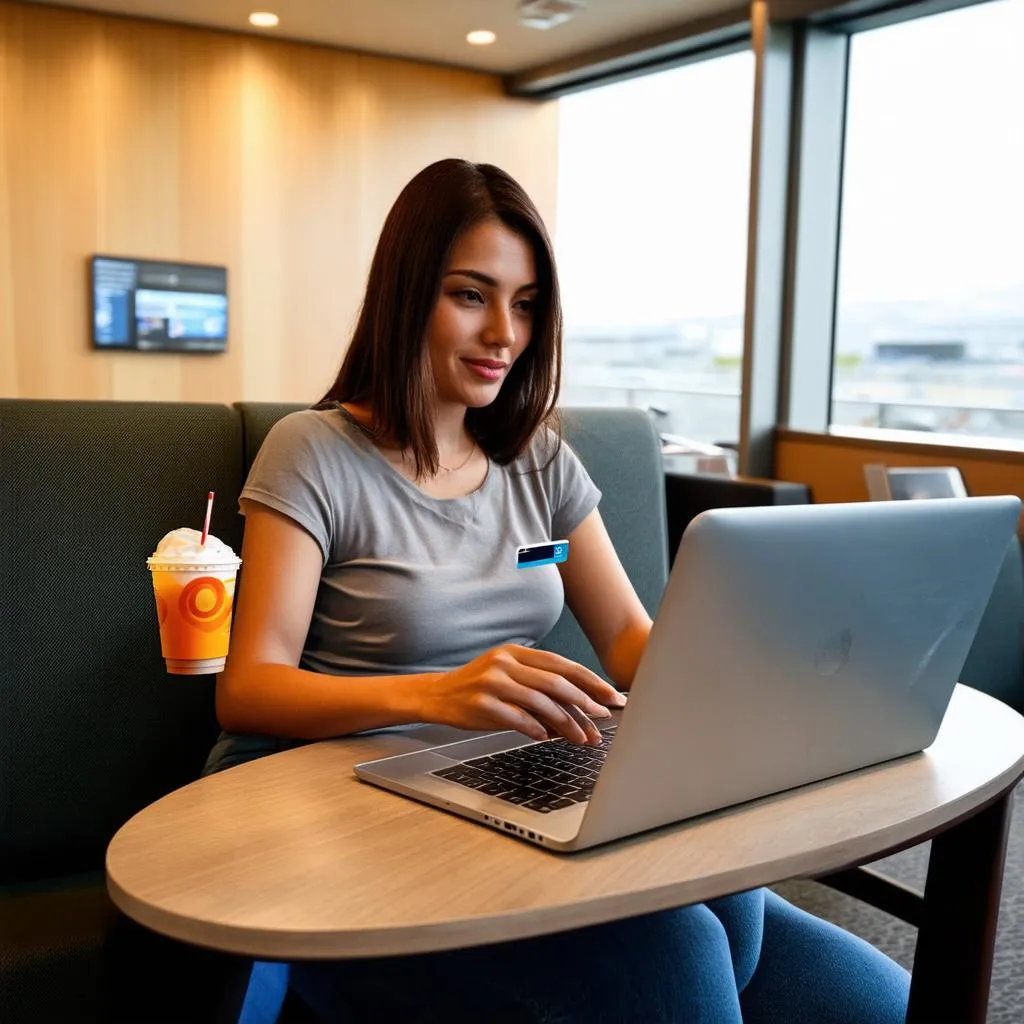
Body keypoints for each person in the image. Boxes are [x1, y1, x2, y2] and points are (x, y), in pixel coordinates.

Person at [205, 158, 911, 1024]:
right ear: (406, 294)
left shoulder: (538, 460)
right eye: (472, 294)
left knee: (880, 997)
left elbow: (628, 642)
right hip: (349, 817)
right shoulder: (312, 451)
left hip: (508, 781)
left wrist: (765, 661)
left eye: (528, 302)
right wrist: (441, 694)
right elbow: (248, 689)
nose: (506, 331)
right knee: (687, 955)